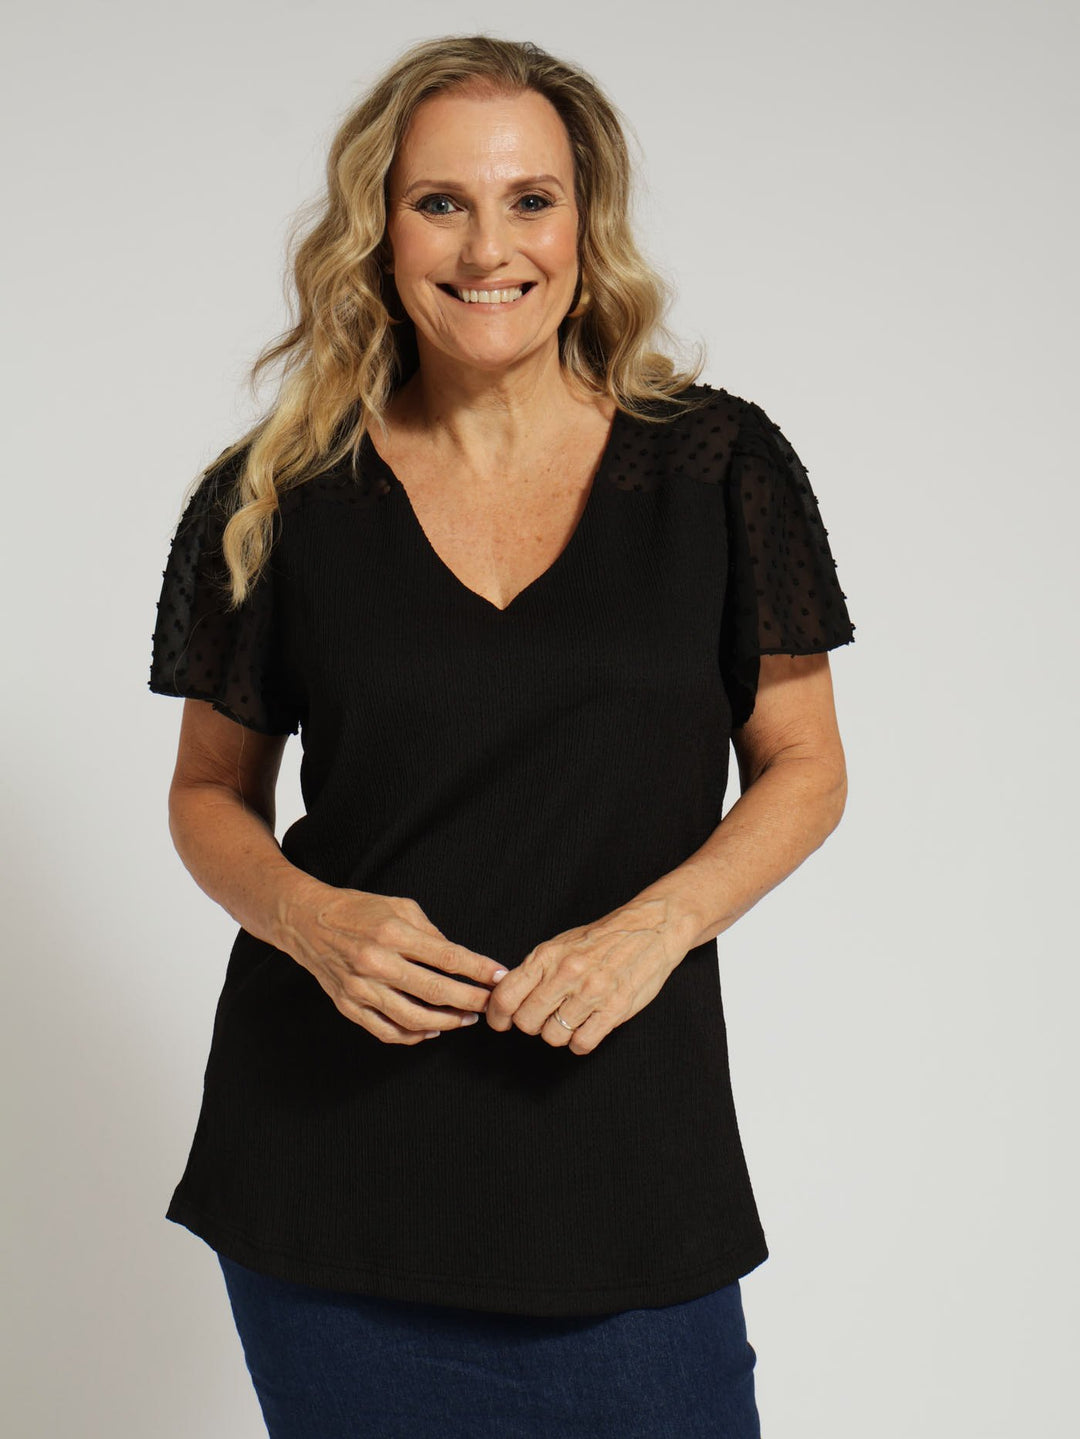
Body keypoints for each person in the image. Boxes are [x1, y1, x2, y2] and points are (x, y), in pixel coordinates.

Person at [148, 33, 855, 1439]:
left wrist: (655, 929)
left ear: (587, 226)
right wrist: (308, 919)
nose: (490, 247)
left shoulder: (716, 466)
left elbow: (806, 765)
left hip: (622, 1151)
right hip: (329, 1166)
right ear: (379, 229)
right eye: (441, 203)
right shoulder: (276, 491)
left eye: (532, 199)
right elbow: (207, 795)